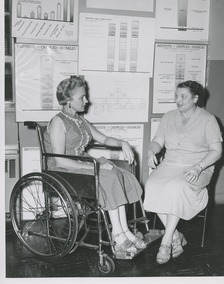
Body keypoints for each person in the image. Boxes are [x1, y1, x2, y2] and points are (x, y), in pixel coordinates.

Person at [43, 75, 146, 254]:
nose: (86, 100)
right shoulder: (58, 122)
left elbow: (104, 138)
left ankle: (125, 231)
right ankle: (118, 234)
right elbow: (59, 160)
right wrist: (94, 167)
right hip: (64, 169)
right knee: (108, 176)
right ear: (68, 100)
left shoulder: (80, 121)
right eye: (81, 97)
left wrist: (123, 143)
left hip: (82, 163)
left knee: (119, 174)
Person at [143, 80, 222, 264]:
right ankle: (176, 236)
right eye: (176, 96)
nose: (178, 100)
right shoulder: (168, 116)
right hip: (170, 164)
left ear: (195, 98)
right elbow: (157, 141)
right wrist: (150, 151)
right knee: (152, 184)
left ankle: (166, 240)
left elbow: (217, 151)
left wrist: (199, 167)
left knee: (176, 187)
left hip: (197, 166)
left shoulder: (208, 120)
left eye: (183, 96)